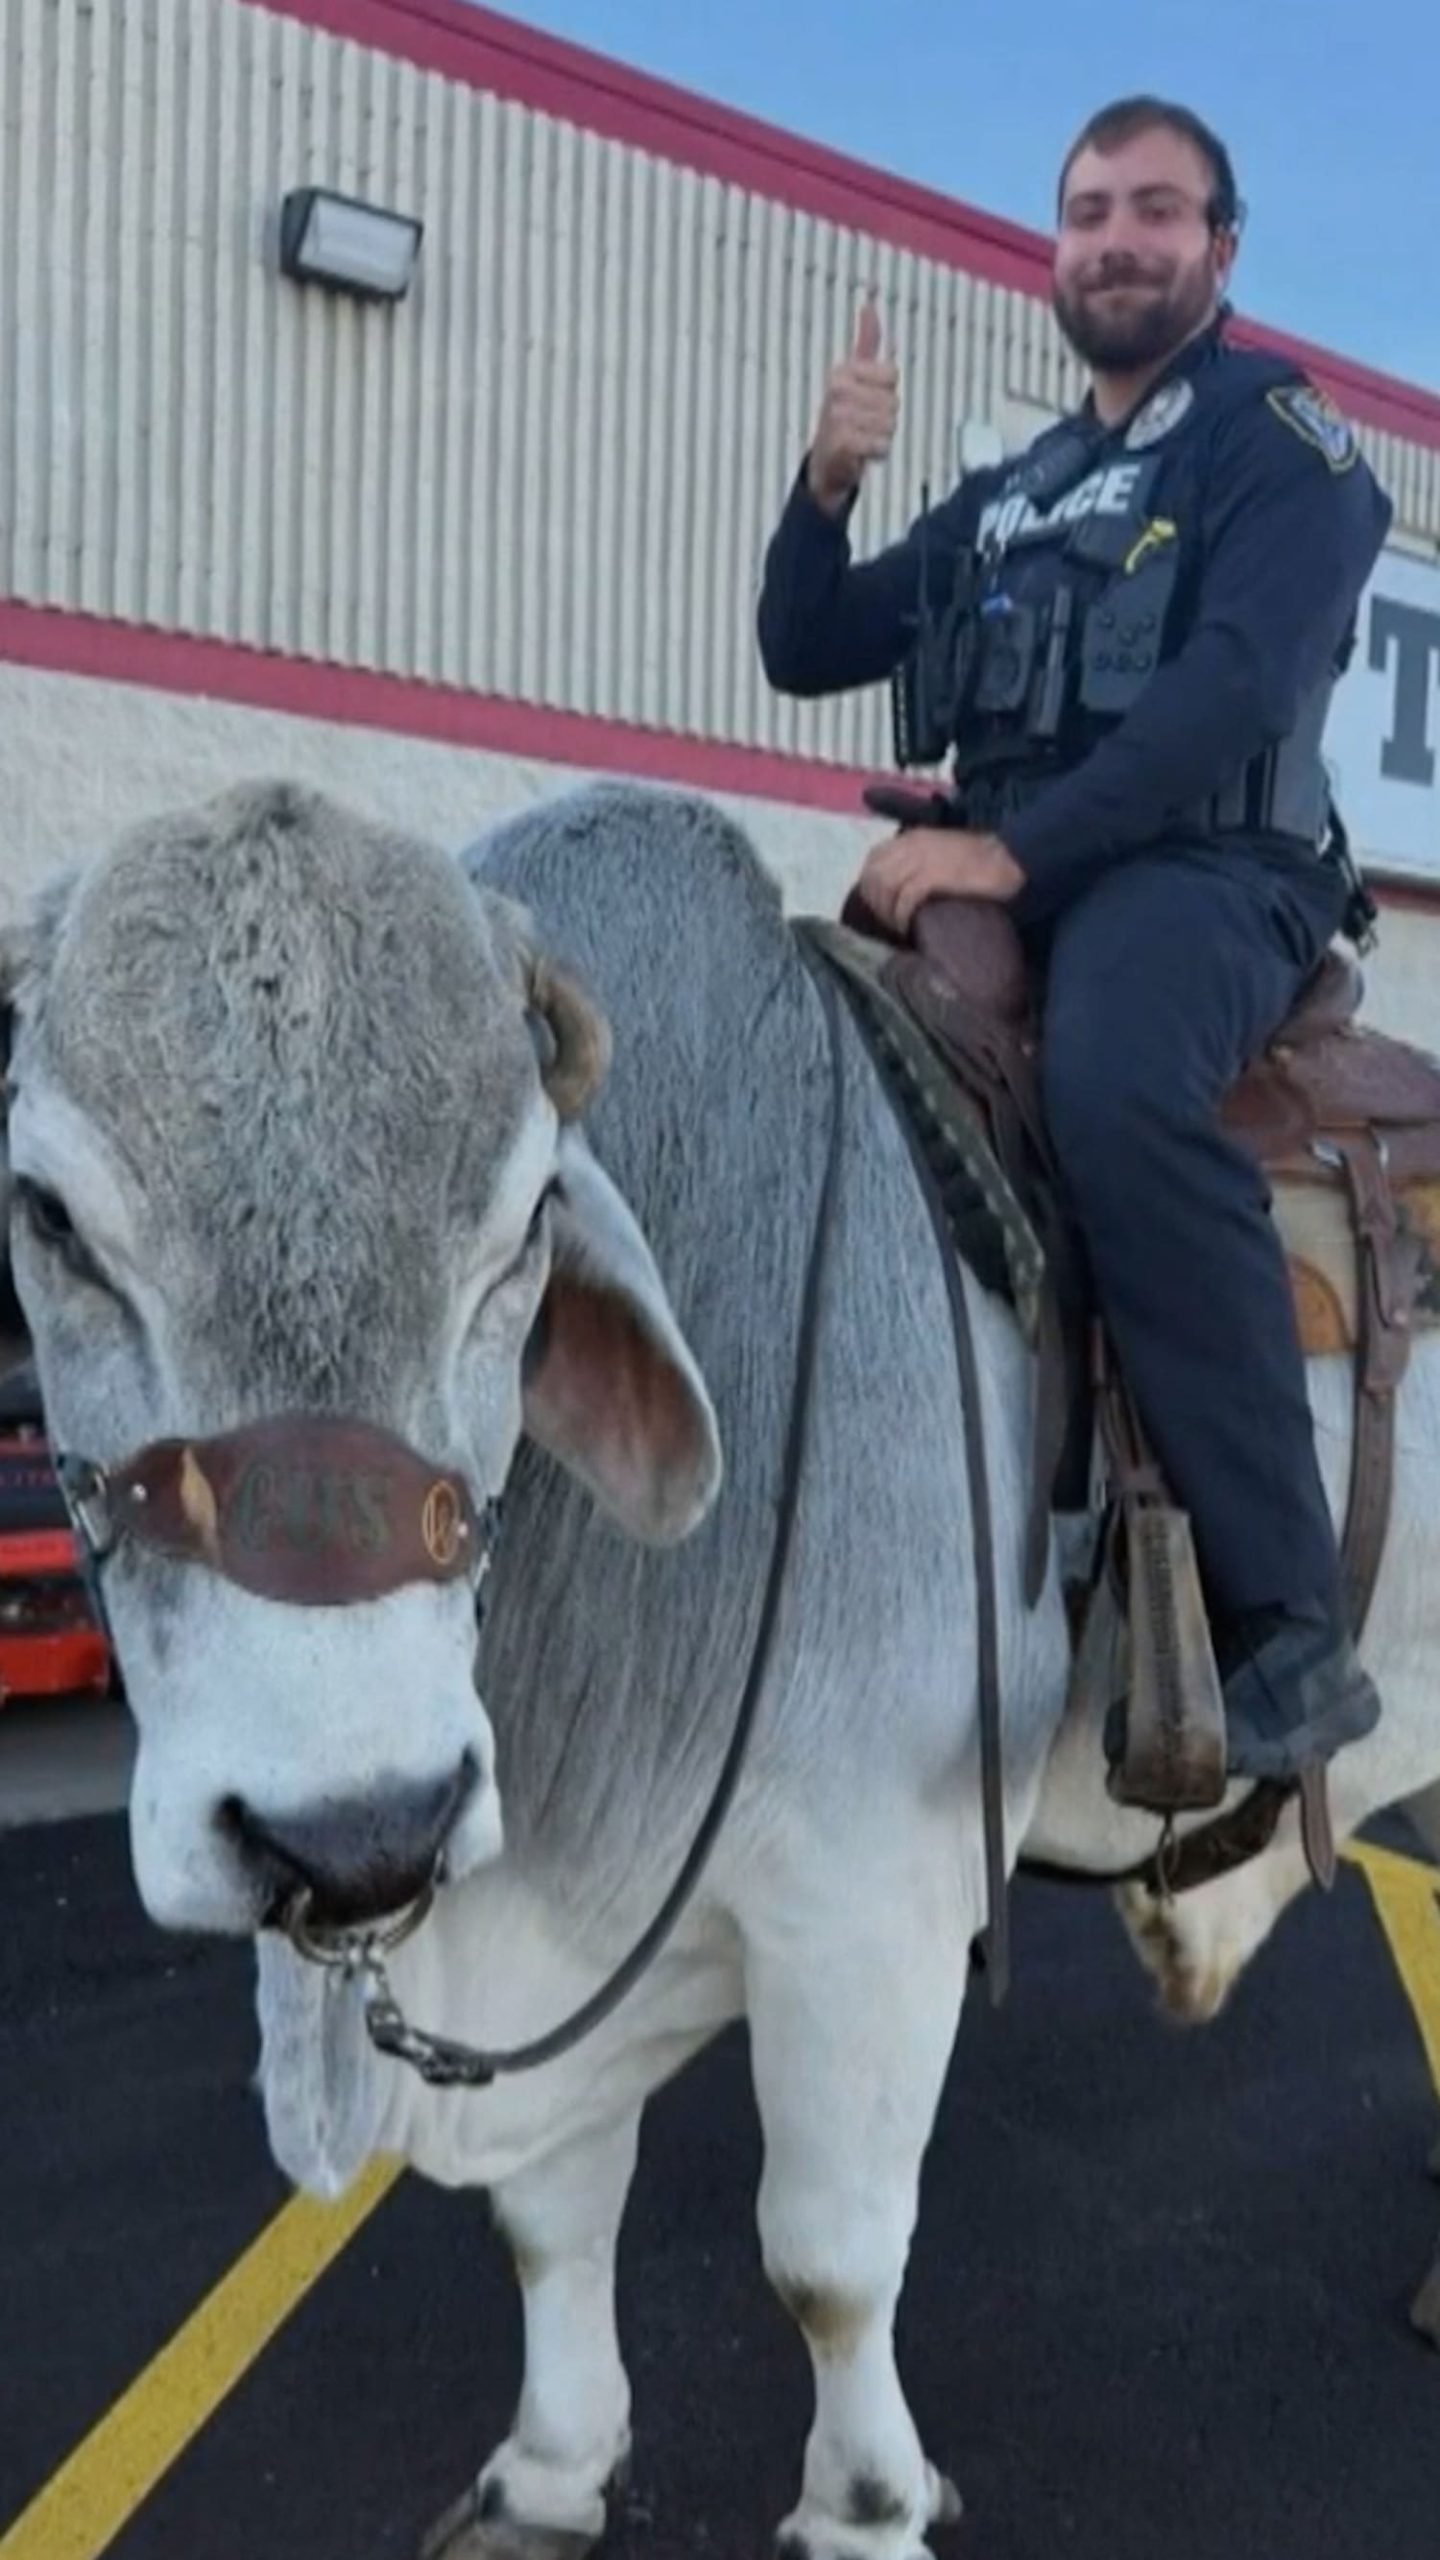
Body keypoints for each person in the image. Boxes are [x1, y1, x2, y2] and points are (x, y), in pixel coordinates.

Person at [756, 94, 1395, 1785]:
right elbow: (805, 642)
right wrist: (827, 481)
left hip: (1206, 876)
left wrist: (1012, 851)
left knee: (1113, 1085)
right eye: (1089, 211)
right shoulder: (1023, 488)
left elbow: (1235, 693)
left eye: (1156, 211)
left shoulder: (1286, 444)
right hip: (1017, 862)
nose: (1118, 238)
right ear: (1055, 250)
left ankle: (1282, 1628)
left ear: (1222, 249)